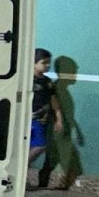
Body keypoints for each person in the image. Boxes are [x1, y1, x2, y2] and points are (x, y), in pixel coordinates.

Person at [29, 48, 64, 188]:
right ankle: (20, 171)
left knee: (38, 146)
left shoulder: (47, 82)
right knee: (35, 146)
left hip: (40, 121)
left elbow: (54, 102)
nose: (48, 66)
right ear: (33, 63)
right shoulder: (26, 80)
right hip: (27, 120)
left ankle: (21, 171)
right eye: (44, 63)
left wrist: (59, 119)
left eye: (49, 63)